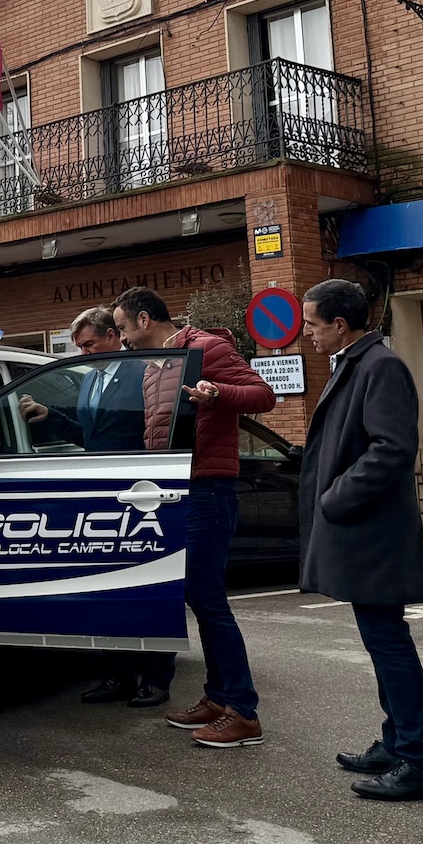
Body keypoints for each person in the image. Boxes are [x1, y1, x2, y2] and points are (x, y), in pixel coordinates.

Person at [299, 278, 423, 802]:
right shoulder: (356, 363)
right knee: (382, 642)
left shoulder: (380, 366)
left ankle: (420, 761)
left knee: (389, 644)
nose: (306, 333)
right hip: (364, 533)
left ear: (340, 324)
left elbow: (391, 448)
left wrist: (336, 497)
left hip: (374, 534)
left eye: (313, 324)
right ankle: (397, 741)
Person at [114, 285, 276, 750]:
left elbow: (263, 396)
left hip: (208, 488)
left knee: (207, 597)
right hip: (171, 492)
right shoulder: (152, 368)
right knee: (193, 595)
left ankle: (243, 711)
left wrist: (216, 393)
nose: (121, 339)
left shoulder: (207, 347)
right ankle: (217, 697)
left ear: (145, 320)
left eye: (124, 329)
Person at [28, 308, 167, 708]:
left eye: (89, 343)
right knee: (106, 589)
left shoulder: (143, 372)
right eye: (79, 346)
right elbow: (89, 436)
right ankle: (116, 675)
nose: (84, 351)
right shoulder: (89, 379)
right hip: (100, 489)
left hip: (140, 492)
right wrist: (50, 417)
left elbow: (155, 428)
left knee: (145, 588)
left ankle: (155, 677)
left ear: (112, 336)